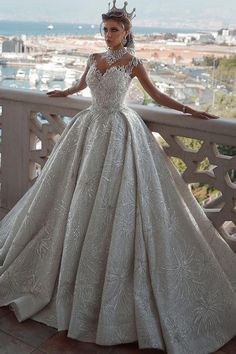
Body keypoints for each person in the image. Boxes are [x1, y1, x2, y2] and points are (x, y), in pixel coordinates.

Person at [0, 1, 236, 353]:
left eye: (114, 30)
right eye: (105, 30)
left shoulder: (134, 63)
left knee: (117, 201)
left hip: (120, 132)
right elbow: (81, 86)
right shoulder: (93, 58)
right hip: (89, 128)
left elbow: (156, 95)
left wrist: (190, 110)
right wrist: (63, 93)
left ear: (126, 33)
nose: (108, 36)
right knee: (72, 196)